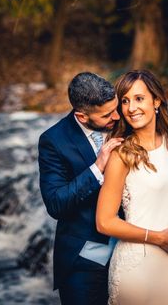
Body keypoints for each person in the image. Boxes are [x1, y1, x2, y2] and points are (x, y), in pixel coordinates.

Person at [96, 70, 168, 305]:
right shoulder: (121, 155)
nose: (131, 108)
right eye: (125, 101)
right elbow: (104, 222)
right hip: (136, 267)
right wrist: (158, 237)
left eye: (139, 98)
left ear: (156, 101)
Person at [38, 72, 124, 305]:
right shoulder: (53, 141)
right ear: (82, 116)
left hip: (131, 251)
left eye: (116, 108)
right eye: (107, 114)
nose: (117, 116)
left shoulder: (123, 121)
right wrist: (97, 167)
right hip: (84, 260)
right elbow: (56, 203)